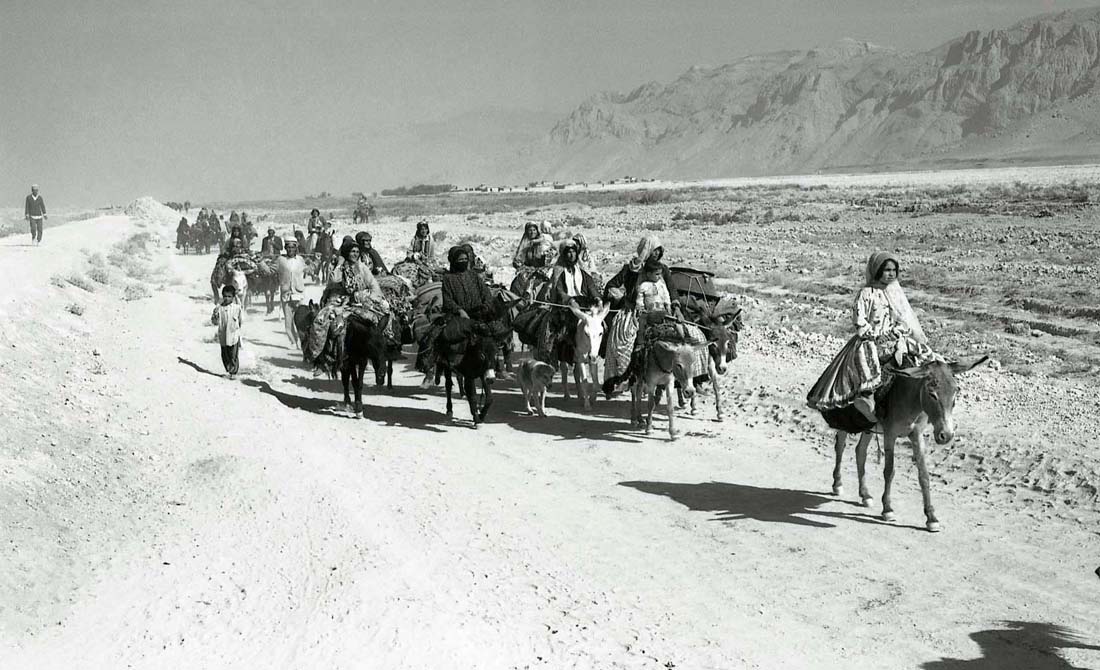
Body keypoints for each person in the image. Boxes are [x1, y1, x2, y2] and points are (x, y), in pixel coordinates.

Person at [806, 252, 939, 422]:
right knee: (867, 362)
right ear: (877, 270)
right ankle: (867, 399)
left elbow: (903, 319)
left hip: (893, 337)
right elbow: (859, 319)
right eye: (887, 270)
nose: (891, 274)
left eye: (894, 270)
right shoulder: (866, 293)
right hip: (870, 339)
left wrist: (895, 333)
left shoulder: (895, 294)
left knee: (923, 356)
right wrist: (875, 336)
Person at [415, 245, 497, 387]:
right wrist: (459, 311)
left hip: (478, 313)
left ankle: (495, 366)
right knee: (433, 336)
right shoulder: (448, 278)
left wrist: (485, 306)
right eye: (460, 260)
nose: (463, 262)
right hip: (458, 316)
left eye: (465, 259)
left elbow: (486, 294)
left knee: (497, 332)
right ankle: (429, 369)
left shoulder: (474, 276)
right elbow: (448, 300)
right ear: (453, 261)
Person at [537, 238, 602, 363]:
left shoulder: (582, 270)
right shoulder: (559, 271)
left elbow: (591, 286)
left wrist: (598, 298)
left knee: (601, 326)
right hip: (566, 306)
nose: (571, 255)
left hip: (584, 303)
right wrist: (570, 301)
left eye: (573, 252)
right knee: (559, 332)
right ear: (564, 254)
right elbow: (559, 290)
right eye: (568, 252)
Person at [277, 237, 306, 346]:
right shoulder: (280, 260)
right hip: (286, 295)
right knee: (288, 323)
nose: (290, 250)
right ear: (285, 248)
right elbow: (270, 270)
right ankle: (293, 342)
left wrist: (316, 261)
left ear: (296, 248)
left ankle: (302, 343)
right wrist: (261, 263)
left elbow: (309, 270)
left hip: (298, 294)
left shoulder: (300, 260)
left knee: (301, 320)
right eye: (288, 247)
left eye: (292, 247)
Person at [211, 284, 244, 378]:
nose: (227, 298)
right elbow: (214, 322)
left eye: (229, 296)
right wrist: (215, 315)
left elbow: (240, 321)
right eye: (225, 296)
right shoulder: (219, 308)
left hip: (234, 335)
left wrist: (237, 330)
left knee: (233, 354)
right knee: (225, 354)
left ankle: (233, 372)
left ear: (233, 297)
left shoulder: (237, 308)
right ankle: (228, 369)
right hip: (223, 335)